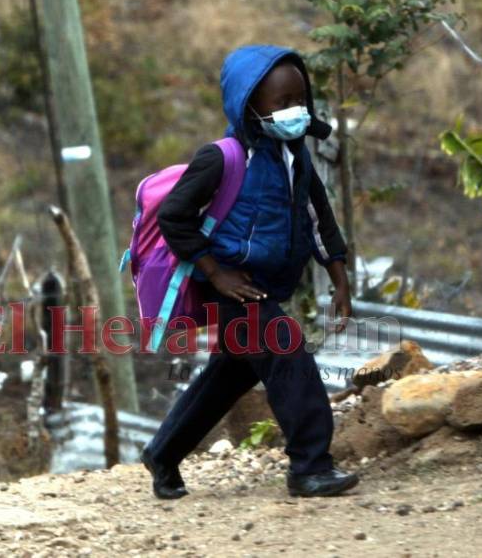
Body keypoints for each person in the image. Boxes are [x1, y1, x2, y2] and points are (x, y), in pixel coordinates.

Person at [142, 44, 358, 499]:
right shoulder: (222, 157)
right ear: (248, 104)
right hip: (234, 289)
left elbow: (321, 220)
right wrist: (215, 273)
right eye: (281, 103)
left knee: (230, 376)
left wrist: (339, 278)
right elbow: (174, 216)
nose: (293, 111)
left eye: (299, 100)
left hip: (267, 287)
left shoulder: (296, 157)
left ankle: (163, 454)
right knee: (289, 354)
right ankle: (310, 467)